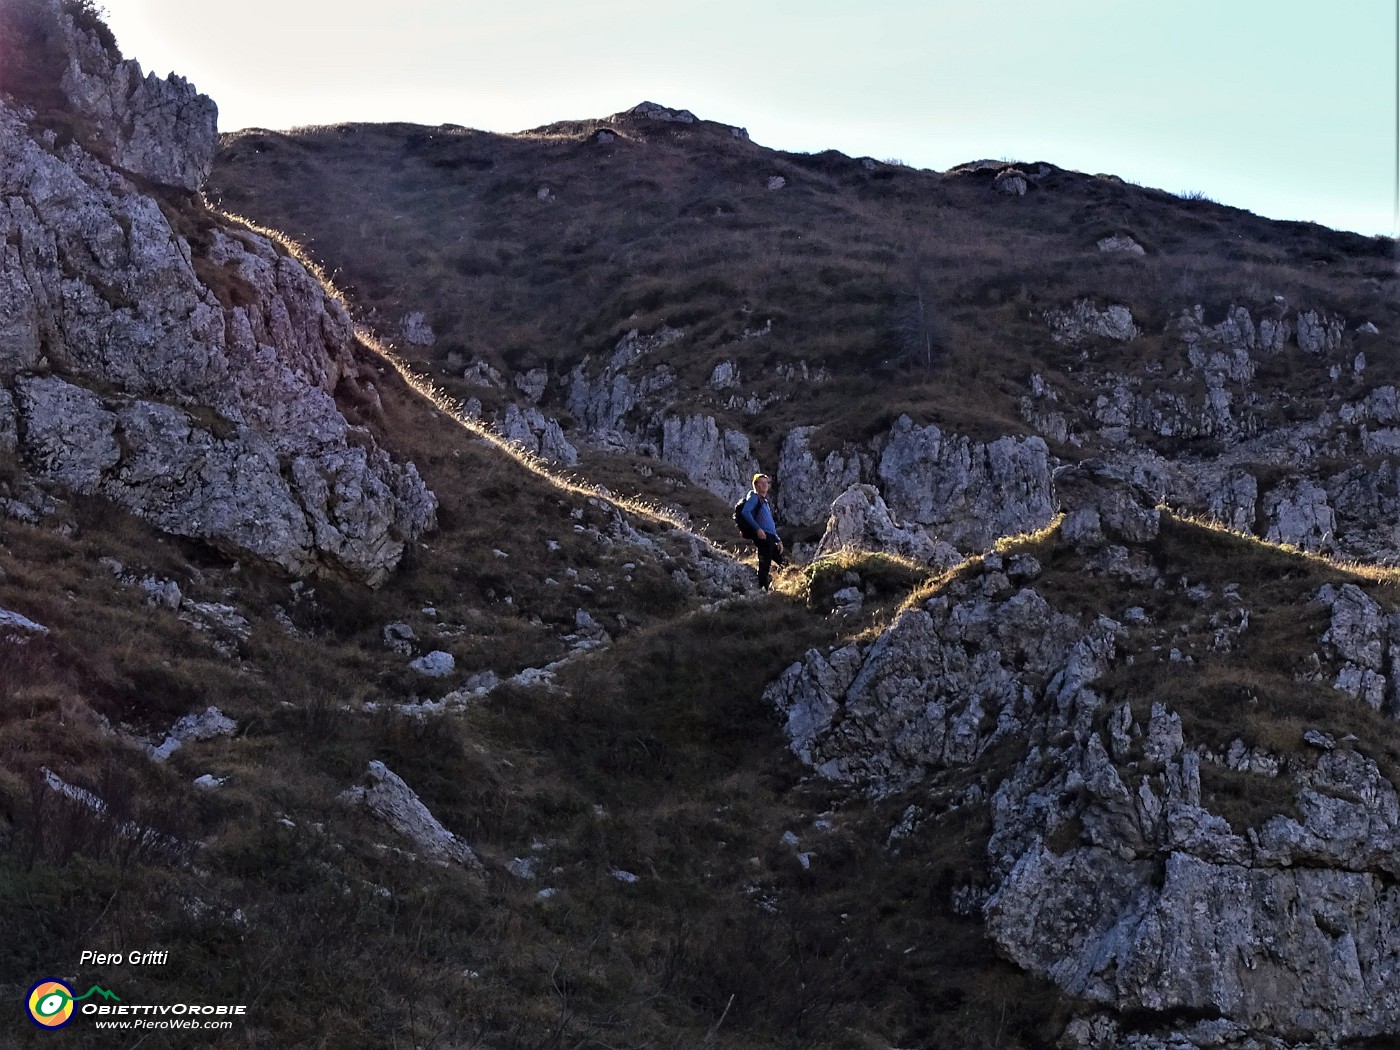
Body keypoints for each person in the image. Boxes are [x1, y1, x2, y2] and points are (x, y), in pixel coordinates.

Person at [738, 473, 785, 590]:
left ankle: (789, 582)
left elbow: (769, 523)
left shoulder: (764, 501)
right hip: (763, 536)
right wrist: (757, 529)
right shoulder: (754, 497)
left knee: (782, 561)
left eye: (766, 483)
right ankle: (762, 589)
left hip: (770, 536)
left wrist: (778, 539)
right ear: (756, 485)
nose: (765, 485)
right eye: (761, 483)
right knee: (765, 563)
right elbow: (745, 512)